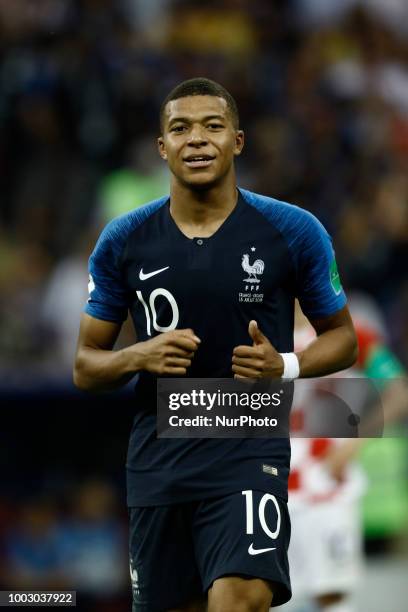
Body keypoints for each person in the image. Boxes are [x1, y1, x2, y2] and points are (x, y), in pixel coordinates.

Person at [73, 77, 358, 612]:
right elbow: (85, 368)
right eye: (180, 128)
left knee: (238, 599)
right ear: (163, 147)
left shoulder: (293, 231)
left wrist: (285, 364)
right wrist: (140, 354)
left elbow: (343, 340)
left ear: (238, 141)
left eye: (213, 126)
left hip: (249, 449)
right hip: (160, 461)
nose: (197, 139)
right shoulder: (123, 239)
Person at [285, 297, 408, 612]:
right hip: (273, 489)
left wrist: (353, 444)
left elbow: (398, 392)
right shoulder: (258, 333)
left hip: (328, 488)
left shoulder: (352, 334)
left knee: (332, 597)